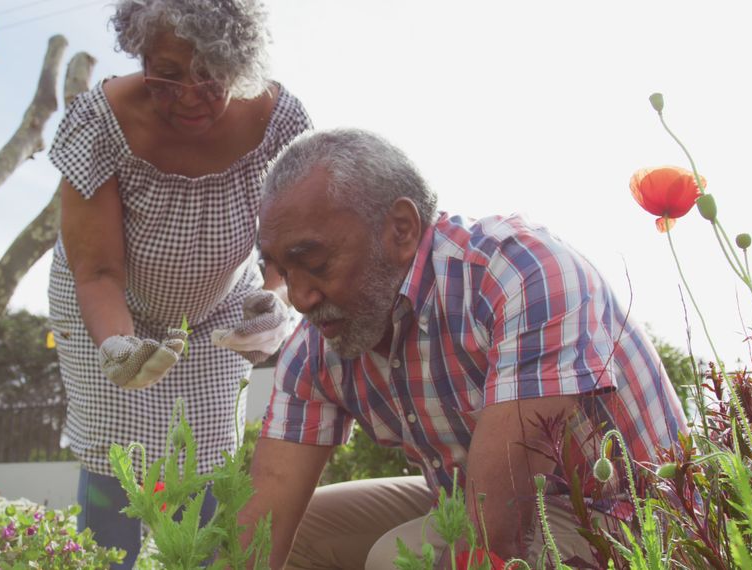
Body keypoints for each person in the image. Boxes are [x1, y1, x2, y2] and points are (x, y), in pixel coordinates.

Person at [241, 128, 686, 569]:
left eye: (316, 264)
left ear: (401, 229)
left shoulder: (518, 275)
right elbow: (269, 503)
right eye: (284, 270)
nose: (299, 298)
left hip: (635, 521)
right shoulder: (319, 345)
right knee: (303, 533)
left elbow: (496, 526)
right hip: (472, 500)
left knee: (400, 560)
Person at [46, 0, 312, 566]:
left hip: (217, 314)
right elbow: (97, 271)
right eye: (166, 72)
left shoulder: (278, 120)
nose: (189, 94)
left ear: (240, 66)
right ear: (140, 53)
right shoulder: (101, 122)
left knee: (209, 466)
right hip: (108, 306)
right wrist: (117, 345)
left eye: (210, 75)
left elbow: (291, 244)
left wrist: (277, 302)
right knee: (116, 465)